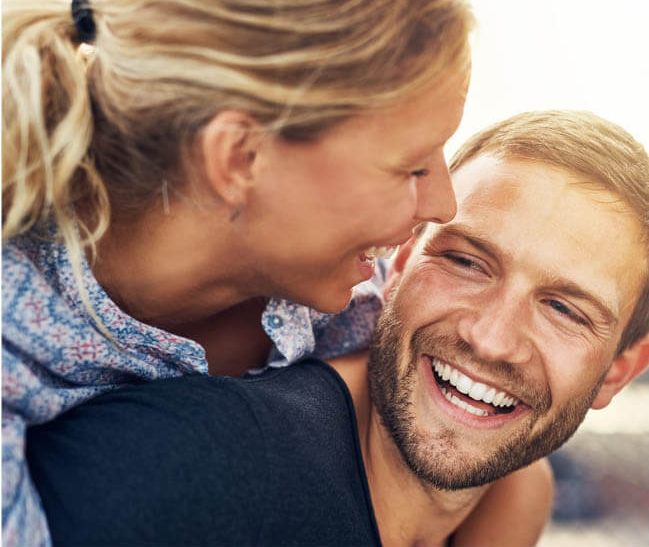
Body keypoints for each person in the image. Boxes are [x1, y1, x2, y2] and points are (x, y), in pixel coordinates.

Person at [1, 0, 475, 544]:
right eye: (411, 168)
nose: (444, 206)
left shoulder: (340, 300)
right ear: (238, 157)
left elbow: (515, 475)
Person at [25, 110, 649, 546]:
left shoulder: (512, 491)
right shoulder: (195, 465)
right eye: (464, 261)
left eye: (564, 309)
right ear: (399, 259)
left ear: (619, 369)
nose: (491, 339)